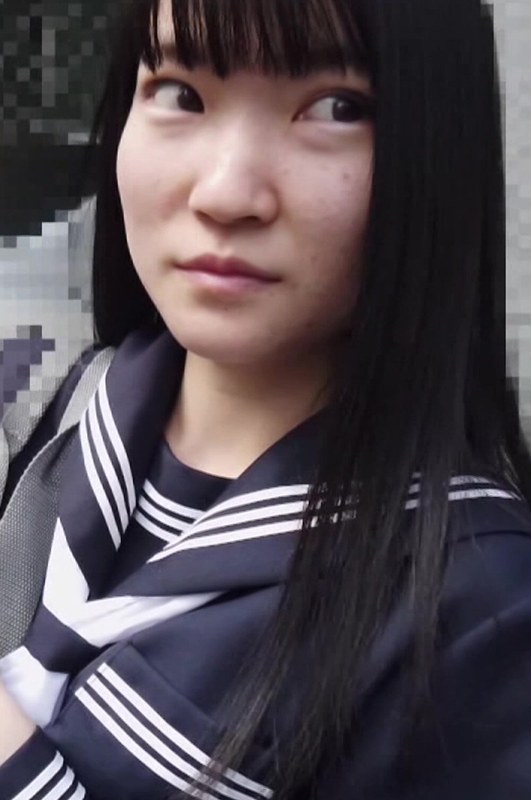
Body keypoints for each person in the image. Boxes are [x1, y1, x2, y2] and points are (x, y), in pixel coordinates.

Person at [1, 0, 531, 797]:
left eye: (335, 108)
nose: (225, 193)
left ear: (435, 151)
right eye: (180, 92)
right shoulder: (56, 409)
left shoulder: (480, 613)